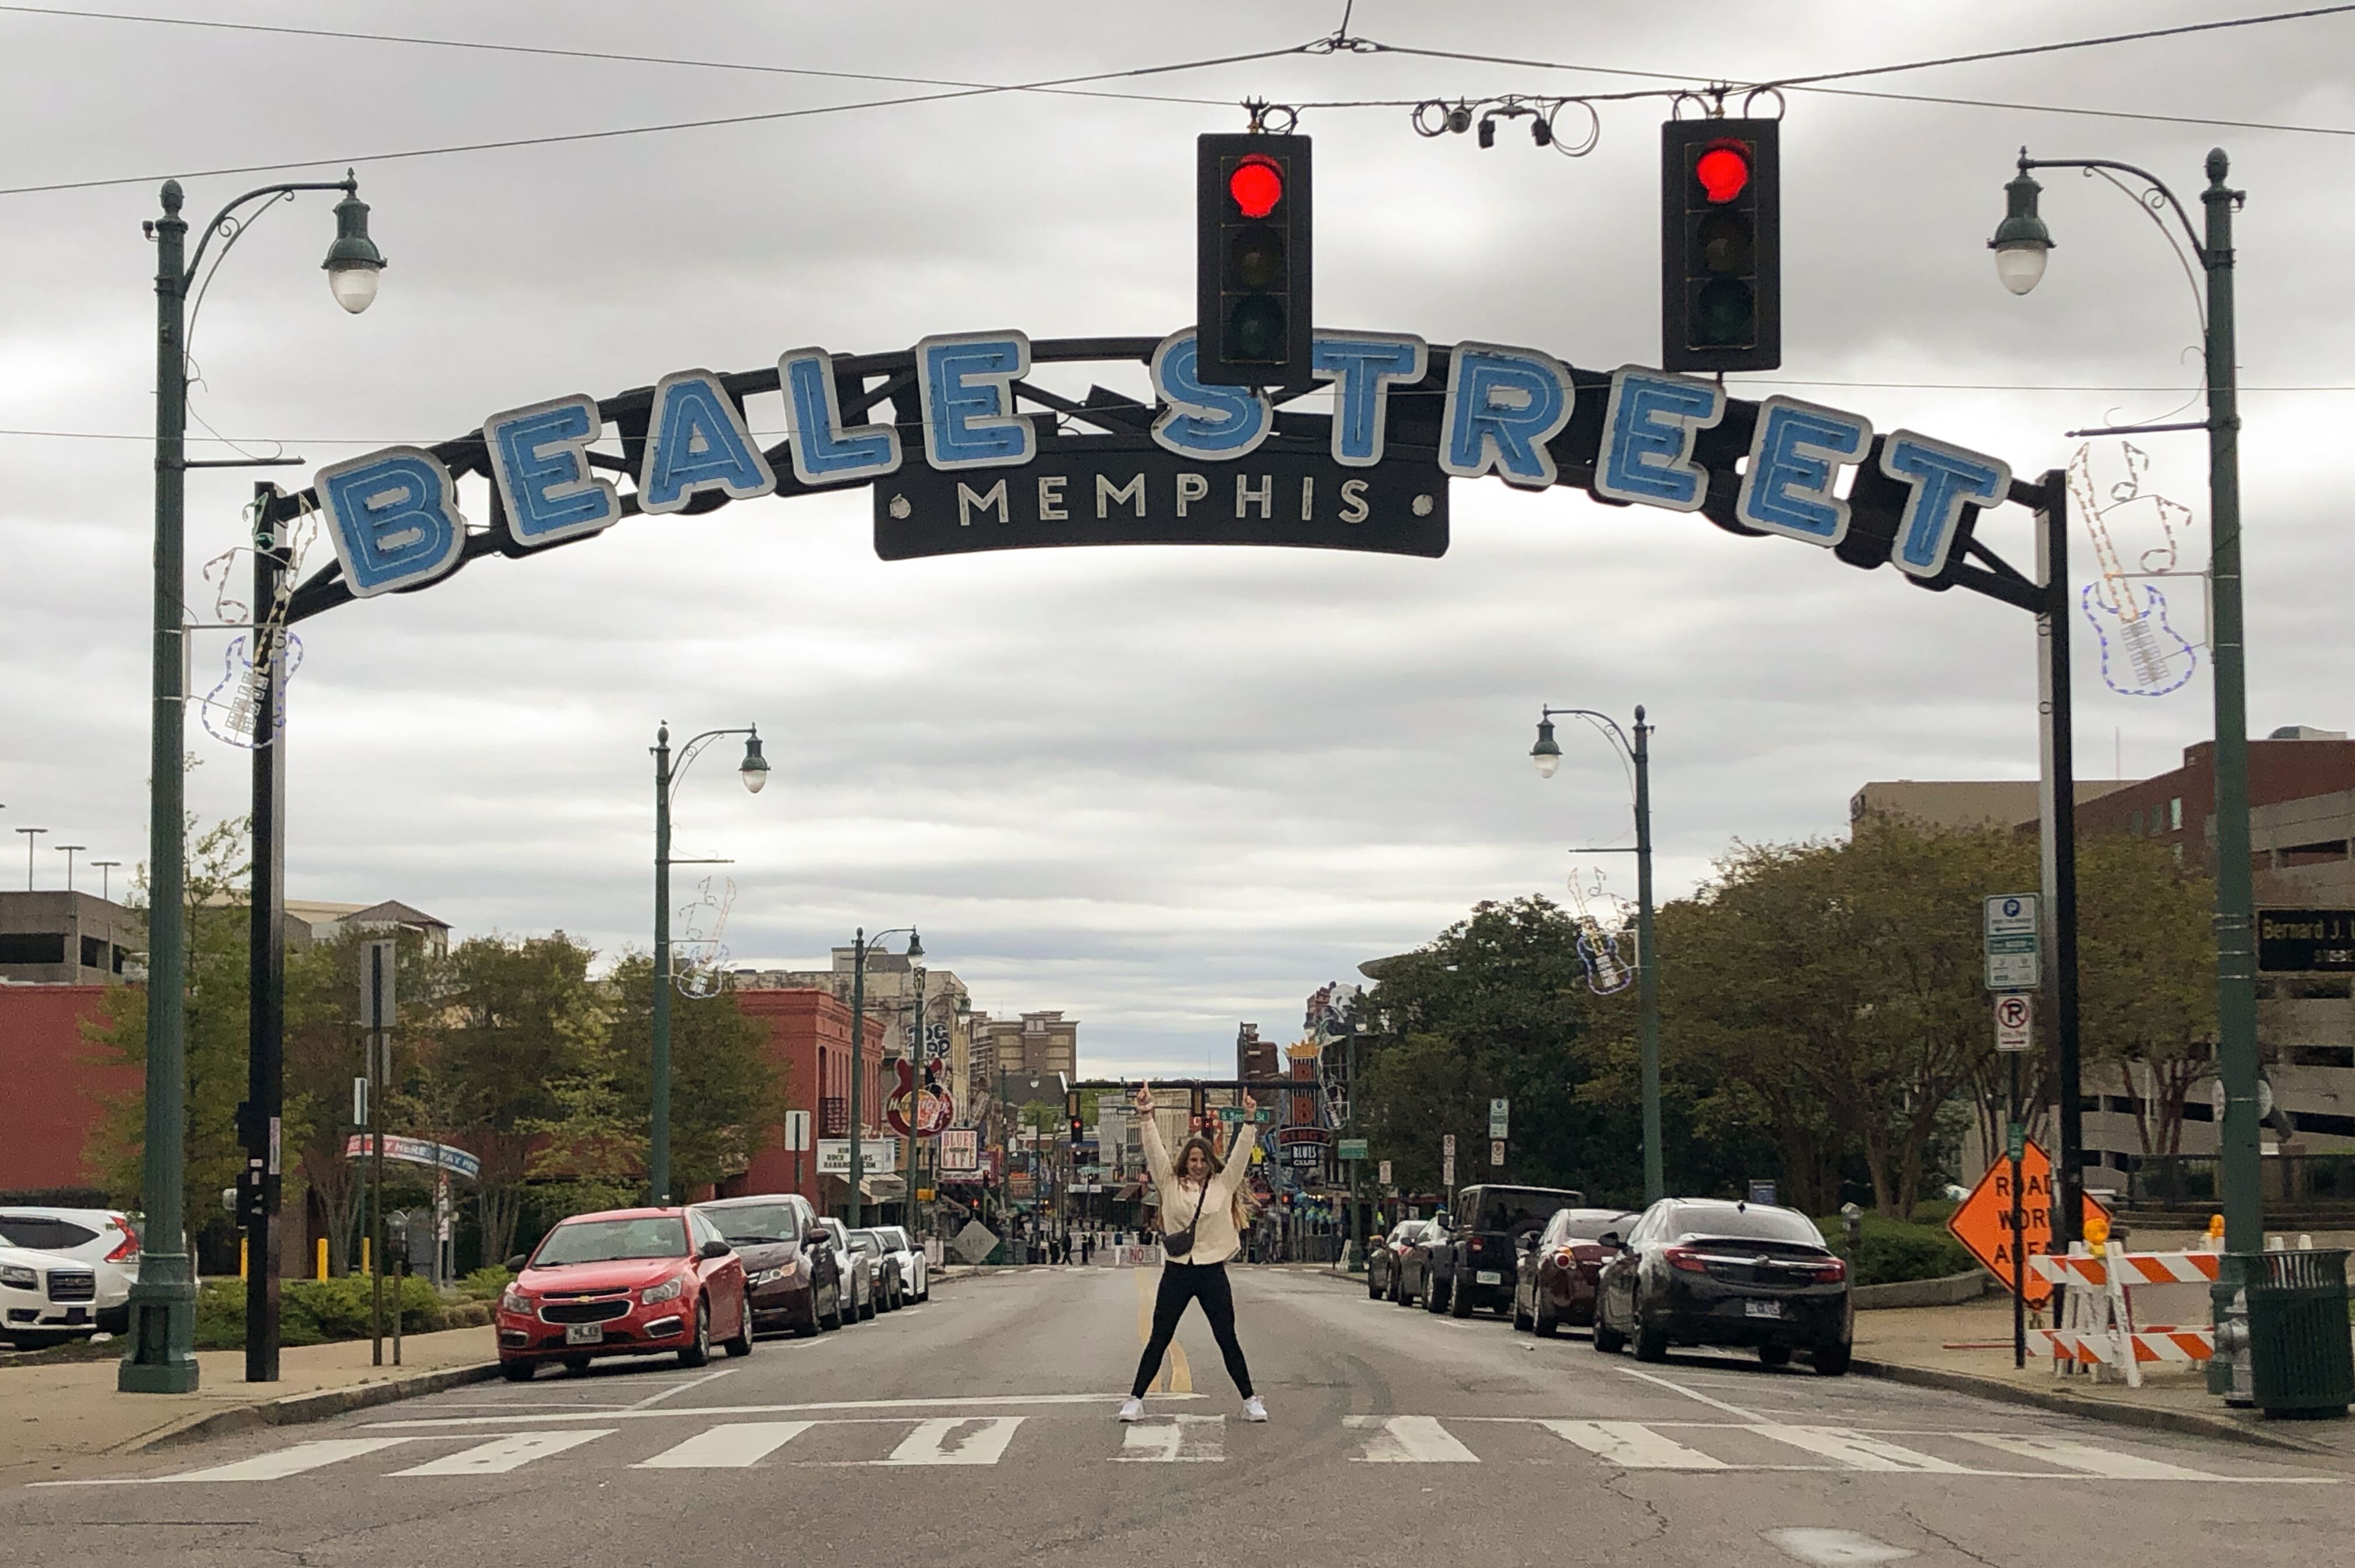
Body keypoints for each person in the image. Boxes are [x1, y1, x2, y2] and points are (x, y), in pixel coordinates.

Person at [1120, 1085, 1264, 1424]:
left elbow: (1241, 1154)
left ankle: (1250, 1400)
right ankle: (1135, 1400)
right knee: (1160, 1337)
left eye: (1202, 1160)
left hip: (1213, 1271)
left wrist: (1249, 1120)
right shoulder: (1170, 1183)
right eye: (1193, 1160)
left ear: (1210, 1162)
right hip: (1178, 1271)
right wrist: (1147, 1115)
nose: (1198, 1165)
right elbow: (1154, 1151)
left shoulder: (1223, 1184)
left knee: (1226, 1337)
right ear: (1186, 1161)